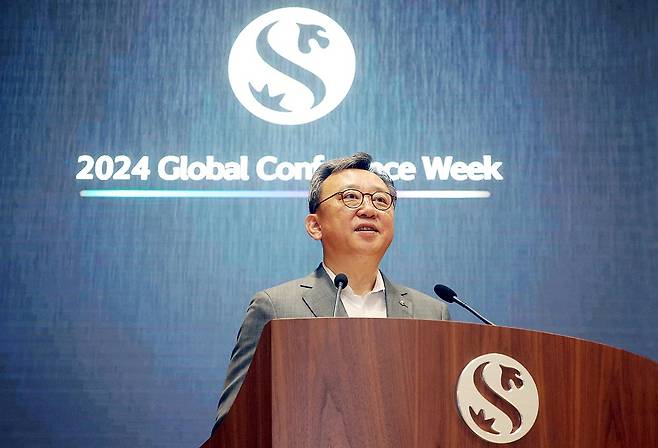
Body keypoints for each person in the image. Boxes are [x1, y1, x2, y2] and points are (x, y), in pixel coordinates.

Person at [212, 152, 449, 431]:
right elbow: (233, 427)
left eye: (381, 200)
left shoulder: (431, 312)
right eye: (350, 197)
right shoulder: (276, 308)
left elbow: (442, 419)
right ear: (315, 225)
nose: (369, 210)